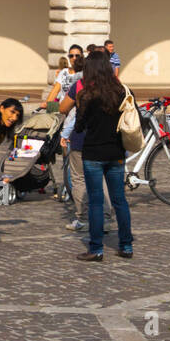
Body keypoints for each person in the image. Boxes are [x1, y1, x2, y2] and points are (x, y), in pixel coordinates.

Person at [66, 51, 133, 262]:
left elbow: (79, 125)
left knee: (96, 201)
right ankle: (126, 245)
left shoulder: (86, 95)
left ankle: (96, 248)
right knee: (119, 200)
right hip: (116, 152)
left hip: (93, 152)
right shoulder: (120, 92)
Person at [59, 49, 114, 232]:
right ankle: (106, 217)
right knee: (103, 178)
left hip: (82, 138)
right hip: (106, 138)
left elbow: (63, 107)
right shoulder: (114, 85)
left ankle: (81, 218)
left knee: (79, 178)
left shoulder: (80, 85)